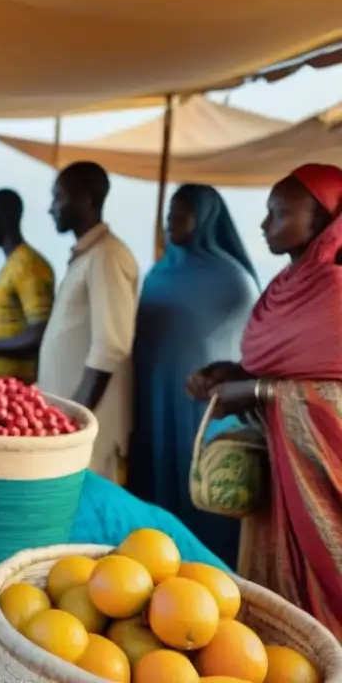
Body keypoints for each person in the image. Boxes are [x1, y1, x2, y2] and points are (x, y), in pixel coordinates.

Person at [187, 162, 342, 637]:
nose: (264, 224)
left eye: (279, 212)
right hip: (280, 470)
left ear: (322, 217)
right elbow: (283, 365)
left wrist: (256, 391)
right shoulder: (284, 285)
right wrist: (232, 373)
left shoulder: (335, 290)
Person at [129, 184, 259, 566]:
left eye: (181, 214)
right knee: (155, 478)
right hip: (154, 395)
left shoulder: (233, 281)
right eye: (169, 215)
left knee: (198, 486)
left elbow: (249, 348)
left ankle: (207, 568)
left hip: (198, 405)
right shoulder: (159, 271)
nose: (171, 223)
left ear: (204, 219)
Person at [38, 161, 139, 485]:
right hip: (71, 426)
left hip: (89, 429)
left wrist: (76, 419)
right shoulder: (90, 255)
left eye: (59, 197)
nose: (51, 208)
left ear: (86, 199)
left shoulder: (107, 256)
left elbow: (111, 346)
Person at [0, 188, 55, 383]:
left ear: (2, 220)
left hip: (26, 385)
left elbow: (39, 334)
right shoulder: (12, 265)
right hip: (7, 384)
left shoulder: (28, 266)